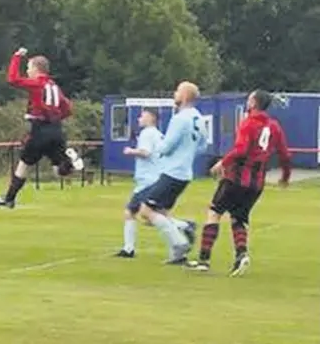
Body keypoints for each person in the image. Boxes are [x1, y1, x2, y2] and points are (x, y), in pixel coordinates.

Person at [186, 90, 291, 276]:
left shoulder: (248, 123)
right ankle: (241, 255)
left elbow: (241, 150)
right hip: (256, 184)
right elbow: (284, 153)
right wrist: (285, 176)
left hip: (236, 177)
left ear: (253, 103)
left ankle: (204, 260)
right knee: (238, 218)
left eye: (249, 99)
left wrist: (222, 162)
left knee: (214, 212)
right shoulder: (274, 126)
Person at [0, 47, 83, 209]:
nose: (27, 71)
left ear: (36, 69)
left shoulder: (38, 83)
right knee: (59, 170)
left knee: (24, 164)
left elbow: (13, 79)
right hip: (56, 130)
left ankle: (9, 199)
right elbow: (68, 109)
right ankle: (70, 162)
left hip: (40, 130)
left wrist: (16, 57)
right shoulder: (54, 86)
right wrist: (54, 119)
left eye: (28, 68)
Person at [137, 81, 208, 264]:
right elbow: (202, 145)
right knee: (162, 214)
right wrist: (187, 152)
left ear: (184, 96)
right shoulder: (198, 118)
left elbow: (166, 147)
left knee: (146, 212)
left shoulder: (180, 118)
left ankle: (180, 241)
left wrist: (158, 146)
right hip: (184, 173)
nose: (174, 94)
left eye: (177, 91)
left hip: (172, 171)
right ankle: (179, 251)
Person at [115, 109, 195, 258]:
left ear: (151, 118)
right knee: (152, 215)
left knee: (134, 213)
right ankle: (182, 230)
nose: (139, 119)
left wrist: (130, 151)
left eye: (142, 116)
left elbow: (145, 152)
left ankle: (129, 249)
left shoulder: (147, 133)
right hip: (155, 178)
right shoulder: (158, 134)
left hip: (147, 181)